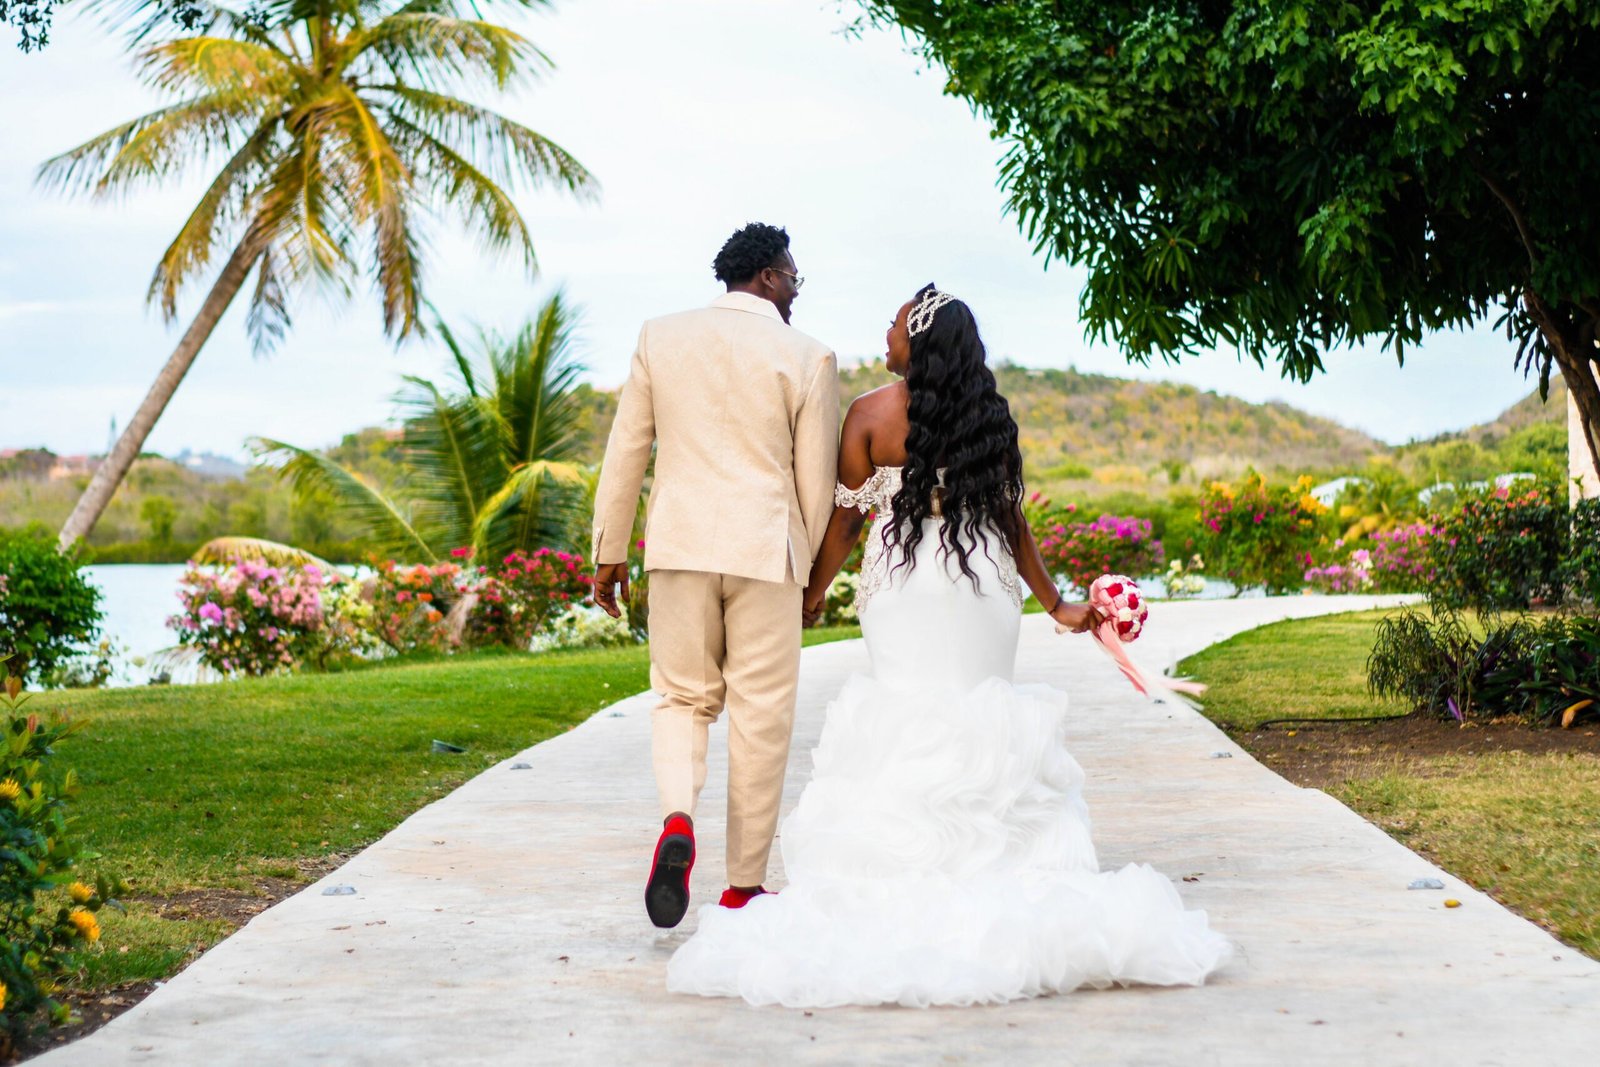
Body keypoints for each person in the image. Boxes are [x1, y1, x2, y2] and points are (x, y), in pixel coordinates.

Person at [665, 284, 1233, 1007]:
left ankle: (897, 871)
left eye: (897, 322)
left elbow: (844, 525)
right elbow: (1011, 517)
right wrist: (1056, 601)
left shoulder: (869, 414)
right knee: (979, 709)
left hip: (903, 584)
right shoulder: (989, 416)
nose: (886, 329)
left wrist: (810, 593)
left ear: (921, 340)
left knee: (904, 707)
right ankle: (1003, 870)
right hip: (981, 582)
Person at [590, 223, 839, 928]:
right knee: (761, 716)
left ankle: (677, 821)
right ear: (764, 276)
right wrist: (811, 577)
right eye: (793, 276)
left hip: (679, 546)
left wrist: (610, 549)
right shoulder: (810, 355)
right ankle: (743, 886)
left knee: (679, 698)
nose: (795, 290)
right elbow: (814, 484)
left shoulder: (659, 337)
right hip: (766, 553)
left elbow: (627, 448)